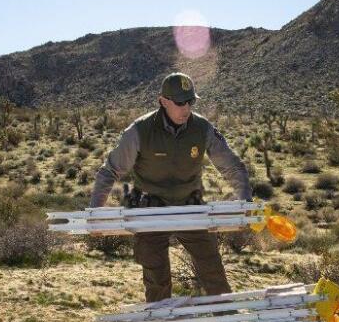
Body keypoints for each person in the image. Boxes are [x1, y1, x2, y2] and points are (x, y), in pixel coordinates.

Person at [90, 72, 252, 302]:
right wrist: (95, 211)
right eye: (179, 103)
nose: (186, 108)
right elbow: (110, 171)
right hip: (150, 207)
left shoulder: (202, 128)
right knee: (156, 276)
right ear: (163, 101)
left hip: (190, 204)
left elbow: (233, 167)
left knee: (212, 269)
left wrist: (245, 201)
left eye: (190, 101)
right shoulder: (139, 131)